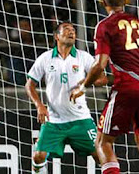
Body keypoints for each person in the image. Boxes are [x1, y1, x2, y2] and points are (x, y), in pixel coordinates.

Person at [70, 0, 139, 174]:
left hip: (127, 87)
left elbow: (100, 63)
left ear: (104, 4)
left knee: (103, 142)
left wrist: (83, 86)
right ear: (125, 1)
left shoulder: (105, 25)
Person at [25, 22, 108, 173]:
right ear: (56, 36)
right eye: (67, 30)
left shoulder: (83, 57)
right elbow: (29, 85)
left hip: (80, 119)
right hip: (54, 121)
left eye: (73, 31)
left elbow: (103, 79)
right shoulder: (45, 58)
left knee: (101, 155)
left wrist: (86, 83)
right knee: (38, 156)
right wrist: (39, 105)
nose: (71, 33)